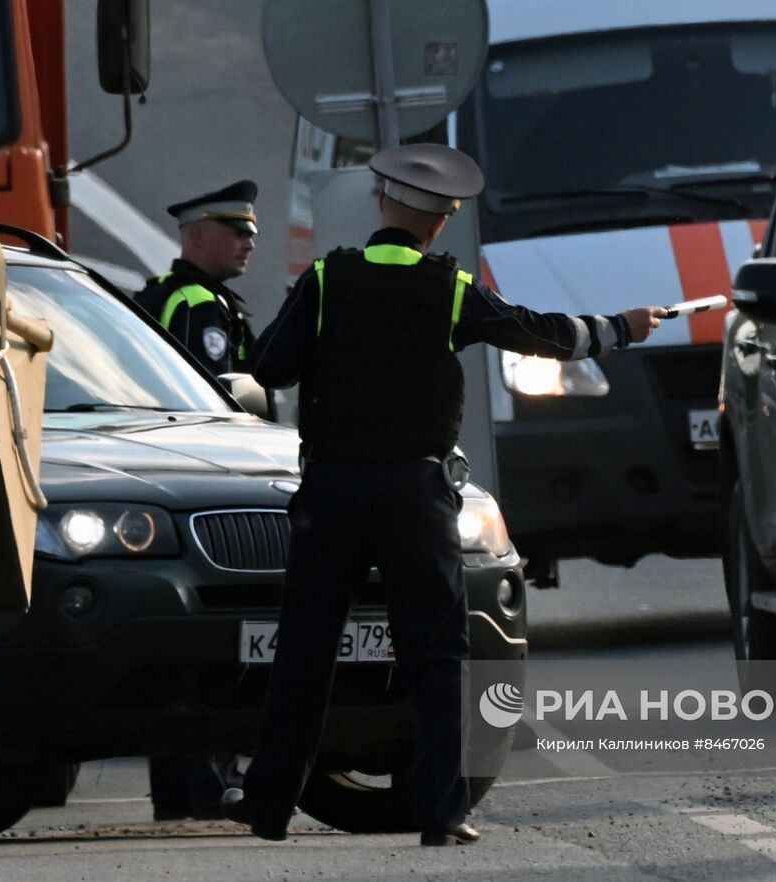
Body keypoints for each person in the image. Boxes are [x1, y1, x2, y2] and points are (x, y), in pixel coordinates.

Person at [228, 143, 666, 846]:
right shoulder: (450, 290)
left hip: (332, 491)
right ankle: (440, 813)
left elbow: (270, 367)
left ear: (381, 203)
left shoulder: (326, 279)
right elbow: (538, 332)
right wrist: (618, 329)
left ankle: (269, 808)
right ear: (438, 224)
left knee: (305, 649)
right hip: (415, 494)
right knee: (436, 653)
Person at [136, 180, 260, 821]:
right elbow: (213, 398)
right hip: (204, 477)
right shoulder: (194, 304)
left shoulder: (196, 297)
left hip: (172, 481)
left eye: (251, 231)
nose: (249, 240)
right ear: (195, 235)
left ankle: (193, 790)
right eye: (235, 229)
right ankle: (203, 789)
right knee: (213, 641)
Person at [134, 180, 259, 375]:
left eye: (250, 236)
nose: (250, 245)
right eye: (239, 234)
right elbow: (214, 394)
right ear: (197, 235)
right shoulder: (199, 305)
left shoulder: (158, 290)